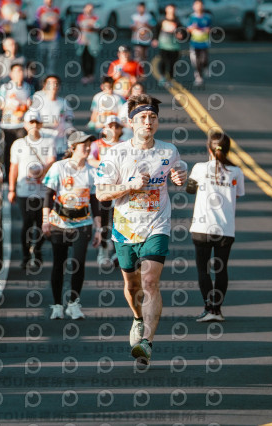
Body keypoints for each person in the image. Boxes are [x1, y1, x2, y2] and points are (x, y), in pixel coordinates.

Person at [96, 94, 187, 365]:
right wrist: (130, 185)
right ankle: (137, 318)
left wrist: (180, 176)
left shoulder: (168, 151)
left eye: (153, 117)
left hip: (157, 225)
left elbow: (179, 170)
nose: (148, 122)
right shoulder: (116, 153)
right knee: (132, 284)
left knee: (149, 282)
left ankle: (146, 341)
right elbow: (101, 193)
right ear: (131, 122)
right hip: (125, 229)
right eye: (143, 117)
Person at [42, 131, 102, 320]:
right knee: (59, 264)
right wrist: (45, 221)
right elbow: (48, 195)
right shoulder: (59, 167)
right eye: (84, 144)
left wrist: (99, 229)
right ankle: (57, 305)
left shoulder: (91, 171)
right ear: (73, 147)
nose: (87, 148)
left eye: (89, 144)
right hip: (59, 223)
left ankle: (73, 304)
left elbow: (95, 203)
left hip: (83, 224)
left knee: (78, 263)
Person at [186, 131, 244, 322]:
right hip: (225, 229)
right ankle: (217, 310)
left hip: (202, 228)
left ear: (209, 148)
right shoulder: (236, 172)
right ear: (228, 150)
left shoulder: (199, 168)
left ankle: (207, 307)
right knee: (221, 269)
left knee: (203, 270)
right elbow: (237, 194)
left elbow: (190, 189)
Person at [8, 110, 56, 270]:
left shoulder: (48, 141)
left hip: (43, 191)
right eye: (31, 122)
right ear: (25, 124)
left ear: (41, 124)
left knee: (43, 223)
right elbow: (14, 167)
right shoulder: (18, 144)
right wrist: (12, 189)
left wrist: (41, 171)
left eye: (37, 122)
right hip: (24, 191)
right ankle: (25, 255)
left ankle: (37, 249)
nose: (34, 125)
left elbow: (52, 160)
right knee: (27, 223)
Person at [88, 115, 124, 269]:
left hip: (120, 188)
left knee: (119, 221)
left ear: (121, 129)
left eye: (116, 126)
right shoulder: (97, 144)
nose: (113, 129)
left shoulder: (125, 145)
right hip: (102, 188)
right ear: (103, 129)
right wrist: (107, 164)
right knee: (103, 221)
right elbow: (90, 160)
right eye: (110, 126)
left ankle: (117, 251)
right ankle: (103, 250)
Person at [0, 63, 33, 173]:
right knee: (8, 151)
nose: (19, 74)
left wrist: (26, 105)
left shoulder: (28, 87)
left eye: (21, 71)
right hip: (7, 125)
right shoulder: (5, 87)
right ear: (11, 74)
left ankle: (20, 174)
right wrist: (11, 105)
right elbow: (0, 103)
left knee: (21, 150)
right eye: (16, 71)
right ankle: (8, 175)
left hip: (22, 125)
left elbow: (32, 103)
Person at [31, 74, 75, 159]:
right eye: (50, 83)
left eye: (56, 83)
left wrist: (70, 131)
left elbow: (69, 120)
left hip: (60, 144)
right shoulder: (39, 102)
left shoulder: (64, 103)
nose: (53, 86)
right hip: (43, 143)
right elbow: (31, 121)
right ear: (44, 86)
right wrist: (49, 124)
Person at [152, 3, 186, 87]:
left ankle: (170, 78)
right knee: (163, 61)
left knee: (172, 63)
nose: (171, 11)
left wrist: (181, 36)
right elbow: (156, 29)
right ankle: (162, 77)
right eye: (169, 9)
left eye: (173, 9)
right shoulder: (162, 20)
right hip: (163, 45)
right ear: (166, 9)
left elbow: (183, 32)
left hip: (174, 46)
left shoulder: (178, 21)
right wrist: (155, 39)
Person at [187, 0, 212, 86]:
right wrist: (193, 28)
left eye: (200, 5)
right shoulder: (191, 17)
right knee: (196, 61)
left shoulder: (207, 17)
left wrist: (206, 30)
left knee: (204, 59)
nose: (198, 7)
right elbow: (188, 29)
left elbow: (210, 28)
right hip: (194, 43)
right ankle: (199, 77)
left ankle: (205, 67)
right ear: (193, 6)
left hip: (204, 42)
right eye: (197, 5)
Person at [76, 3, 101, 85]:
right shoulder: (80, 17)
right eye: (87, 8)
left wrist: (91, 27)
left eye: (91, 9)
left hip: (92, 40)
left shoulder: (95, 18)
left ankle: (91, 74)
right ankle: (85, 75)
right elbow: (78, 27)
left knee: (91, 57)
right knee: (84, 57)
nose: (89, 10)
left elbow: (98, 27)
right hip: (83, 40)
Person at [35, 0, 61, 75]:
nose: (49, 2)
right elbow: (37, 22)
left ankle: (50, 75)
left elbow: (58, 22)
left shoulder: (56, 10)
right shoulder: (40, 10)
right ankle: (41, 76)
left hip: (53, 38)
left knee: (52, 58)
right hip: (42, 37)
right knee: (41, 58)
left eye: (50, 1)